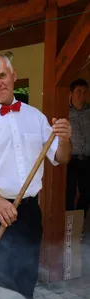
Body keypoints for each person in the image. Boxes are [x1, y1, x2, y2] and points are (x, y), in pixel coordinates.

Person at [0, 54, 72, 299]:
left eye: (2, 75)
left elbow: (61, 158)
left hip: (28, 212)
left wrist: (65, 139)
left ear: (13, 75)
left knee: (24, 278)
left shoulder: (35, 117)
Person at [66, 79, 90, 219]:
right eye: (78, 92)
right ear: (71, 93)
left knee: (87, 193)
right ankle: (68, 224)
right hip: (70, 159)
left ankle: (79, 222)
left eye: (84, 92)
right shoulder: (64, 111)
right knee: (68, 194)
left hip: (87, 159)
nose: (81, 95)